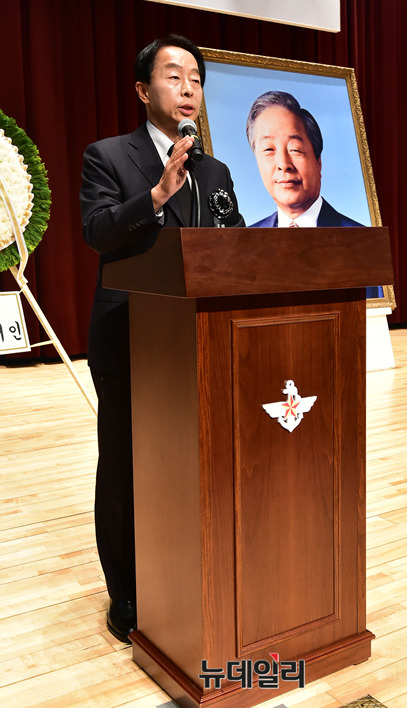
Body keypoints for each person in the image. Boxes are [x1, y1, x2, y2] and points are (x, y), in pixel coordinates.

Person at [80, 34, 244, 644]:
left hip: (200, 337)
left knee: (191, 460)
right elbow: (98, 231)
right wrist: (155, 196)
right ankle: (126, 592)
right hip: (129, 334)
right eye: (174, 77)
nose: (188, 89)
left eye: (196, 79)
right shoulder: (108, 155)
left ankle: (184, 571)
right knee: (126, 463)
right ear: (143, 90)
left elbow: (232, 244)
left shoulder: (215, 169)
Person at [246, 90, 381, 296]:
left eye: (295, 149)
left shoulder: (363, 246)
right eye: (268, 150)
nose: (283, 164)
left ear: (318, 162)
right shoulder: (244, 245)